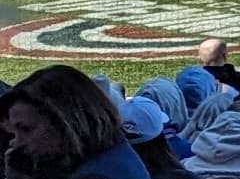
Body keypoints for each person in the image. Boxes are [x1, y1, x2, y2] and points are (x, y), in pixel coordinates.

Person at [0, 65, 153, 179]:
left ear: (65, 123)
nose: (17, 143)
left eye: (26, 129)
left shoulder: (95, 175)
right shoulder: (109, 153)